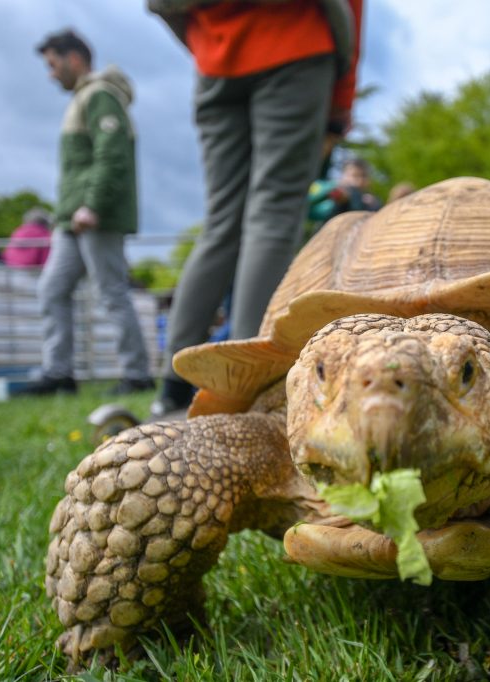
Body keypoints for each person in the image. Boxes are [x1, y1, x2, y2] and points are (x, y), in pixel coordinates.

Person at [147, 0, 363, 415]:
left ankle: (172, 386)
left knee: (222, 222)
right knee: (274, 213)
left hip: (215, 55)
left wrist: (212, 41)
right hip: (296, 41)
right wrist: (341, 101)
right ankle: (242, 387)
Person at [23, 29, 154, 396]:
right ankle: (59, 372)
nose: (51, 74)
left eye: (53, 65)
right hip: (70, 220)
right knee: (52, 289)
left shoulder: (100, 96)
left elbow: (111, 156)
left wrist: (93, 204)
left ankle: (137, 373)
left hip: (94, 216)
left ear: (74, 59)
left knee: (111, 291)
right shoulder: (81, 99)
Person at [308, 156, 382, 224]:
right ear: (343, 177)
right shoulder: (331, 189)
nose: (359, 181)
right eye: (354, 175)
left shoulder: (372, 201)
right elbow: (310, 209)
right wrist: (332, 194)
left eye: (363, 176)